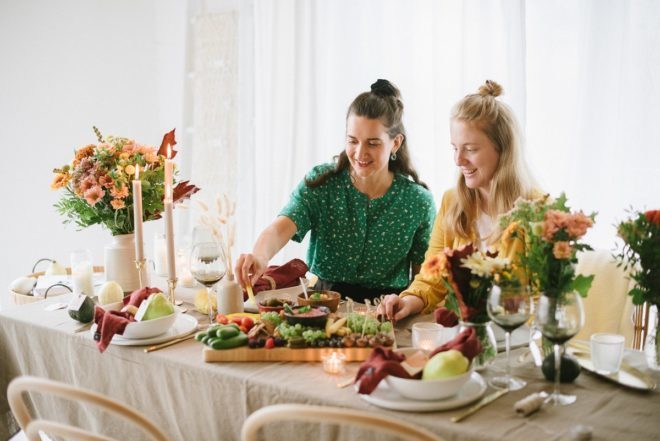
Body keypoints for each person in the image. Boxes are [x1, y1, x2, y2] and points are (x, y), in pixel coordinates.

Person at [235, 79, 436, 303]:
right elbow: (280, 228)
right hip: (321, 305)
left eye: (373, 143)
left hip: (388, 311)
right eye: (352, 141)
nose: (360, 153)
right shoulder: (321, 183)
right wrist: (260, 255)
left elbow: (424, 279)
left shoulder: (418, 201)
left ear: (395, 143)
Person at [377, 80, 538, 321]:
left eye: (470, 149)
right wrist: (407, 301)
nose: (458, 160)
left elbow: (544, 301)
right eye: (455, 148)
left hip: (515, 343)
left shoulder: (537, 211)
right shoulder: (452, 202)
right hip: (461, 338)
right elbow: (432, 280)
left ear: (503, 149)